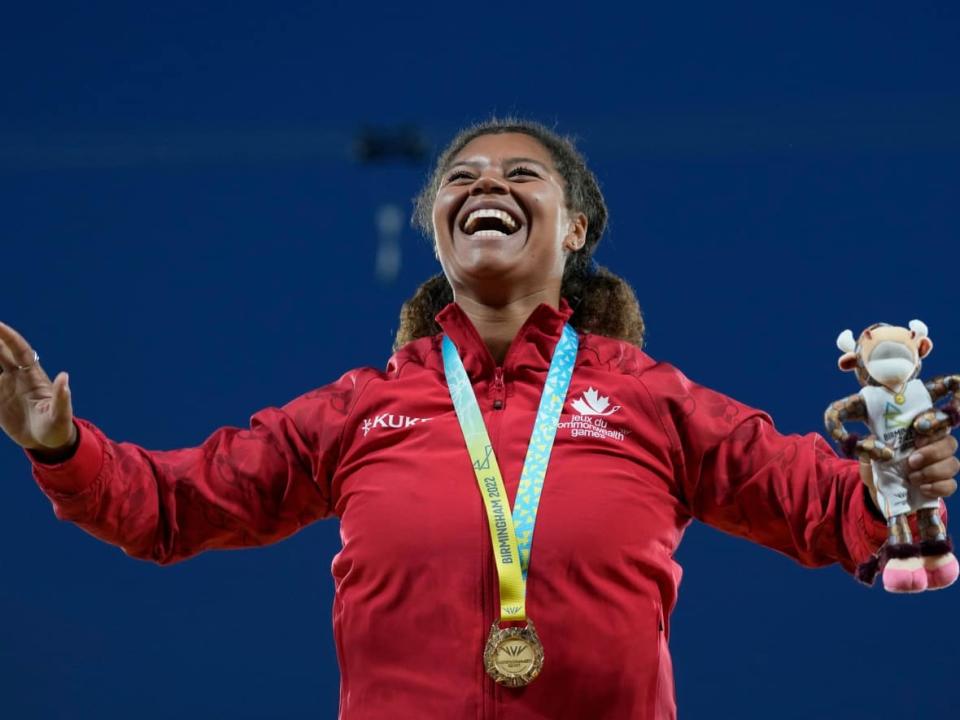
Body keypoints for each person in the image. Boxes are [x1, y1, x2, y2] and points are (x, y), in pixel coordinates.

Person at [2, 119, 957, 720]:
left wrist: (891, 491)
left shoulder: (651, 399)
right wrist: (59, 445)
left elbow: (811, 500)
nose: (486, 184)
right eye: (461, 177)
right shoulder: (358, 409)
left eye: (521, 174)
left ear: (574, 230)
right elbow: (172, 506)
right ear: (436, 228)